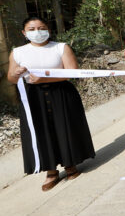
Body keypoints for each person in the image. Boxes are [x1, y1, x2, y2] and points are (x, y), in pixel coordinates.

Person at [6, 17, 95, 191]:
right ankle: (51, 171)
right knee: (40, 131)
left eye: (41, 28)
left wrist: (46, 78)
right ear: (24, 33)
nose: (37, 32)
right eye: (31, 29)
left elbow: (73, 72)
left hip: (61, 93)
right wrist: (17, 73)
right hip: (33, 97)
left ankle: (71, 165)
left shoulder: (60, 47)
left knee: (65, 127)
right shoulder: (17, 52)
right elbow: (11, 77)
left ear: (48, 30)